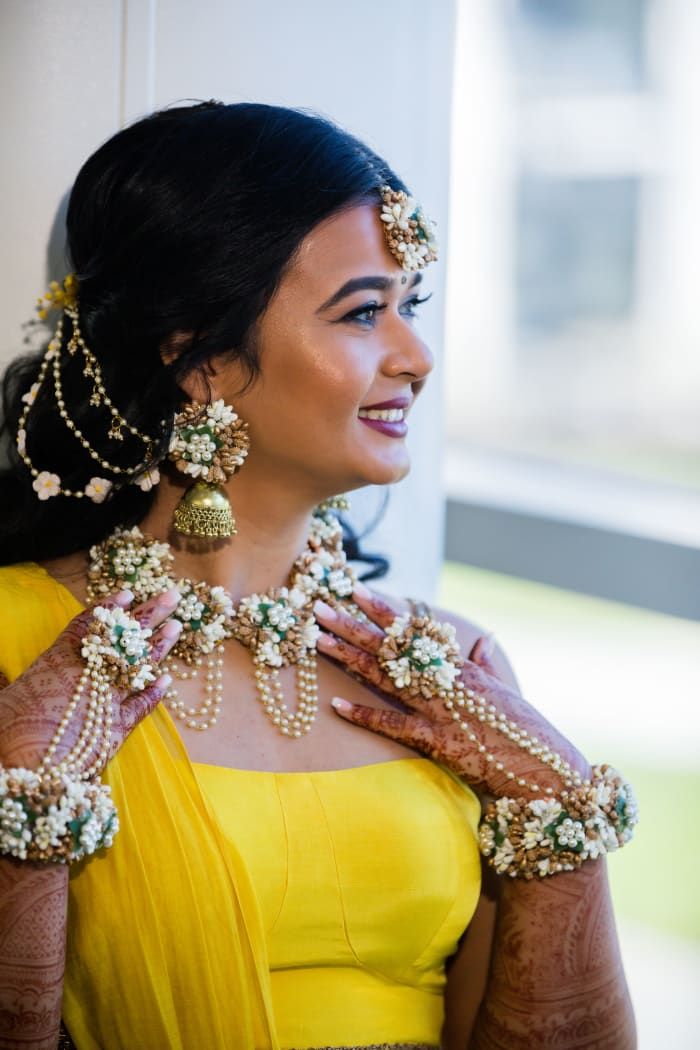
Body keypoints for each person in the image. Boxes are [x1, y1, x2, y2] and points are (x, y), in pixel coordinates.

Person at [0, 101, 637, 1050]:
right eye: (363, 312)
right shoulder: (24, 648)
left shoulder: (450, 669)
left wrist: (561, 825)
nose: (416, 358)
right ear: (200, 354)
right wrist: (22, 796)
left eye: (410, 308)